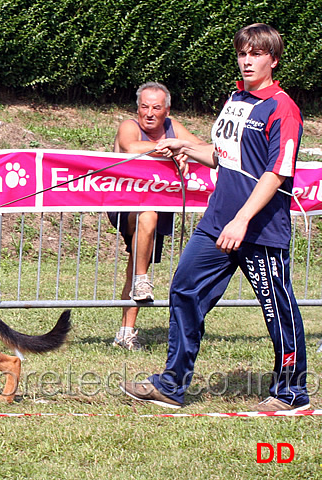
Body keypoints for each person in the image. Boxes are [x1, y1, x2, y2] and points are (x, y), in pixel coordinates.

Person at [120, 24, 310, 411]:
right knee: (184, 291)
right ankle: (172, 386)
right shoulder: (235, 99)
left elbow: (276, 172)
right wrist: (186, 145)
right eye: (242, 53)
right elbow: (224, 157)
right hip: (216, 222)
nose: (247, 61)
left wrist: (242, 220)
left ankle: (292, 394)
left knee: (279, 310)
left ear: (273, 60)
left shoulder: (283, 108)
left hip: (258, 229)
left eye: (256, 54)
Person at [110, 82, 206, 351]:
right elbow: (130, 147)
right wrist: (168, 149)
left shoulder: (174, 128)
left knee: (137, 258)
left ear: (167, 110)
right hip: (126, 203)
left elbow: (204, 148)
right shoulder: (129, 125)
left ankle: (125, 332)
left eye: (156, 107)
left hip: (160, 200)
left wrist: (183, 148)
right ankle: (142, 280)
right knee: (147, 216)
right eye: (144, 107)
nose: (149, 113)